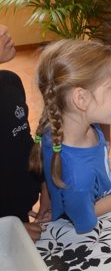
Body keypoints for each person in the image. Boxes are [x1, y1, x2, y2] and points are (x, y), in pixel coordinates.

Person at [29, 39, 111, 234]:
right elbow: (88, 217)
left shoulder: (59, 128)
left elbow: (46, 166)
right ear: (81, 99)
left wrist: (47, 196)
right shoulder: (78, 179)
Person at [0, 24, 50, 241]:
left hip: (20, 217)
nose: (4, 29)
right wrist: (6, 231)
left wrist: (44, 185)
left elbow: (23, 141)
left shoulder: (10, 83)